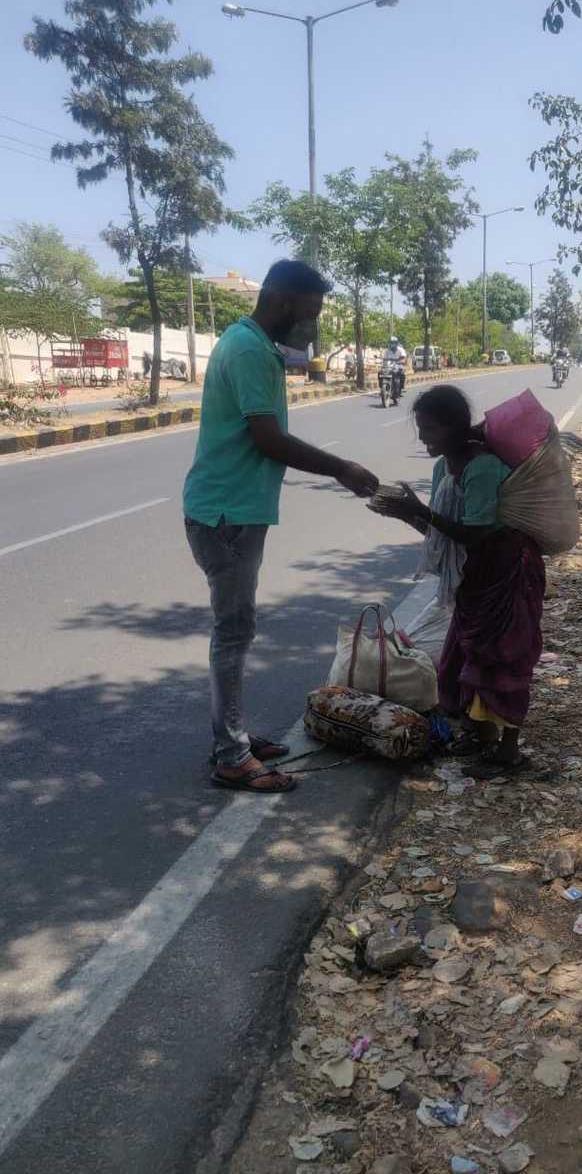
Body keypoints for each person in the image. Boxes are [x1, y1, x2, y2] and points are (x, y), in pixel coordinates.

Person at [184, 259, 378, 794]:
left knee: (237, 629)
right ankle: (229, 755)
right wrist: (342, 467)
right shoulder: (249, 350)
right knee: (233, 631)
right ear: (285, 299)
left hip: (229, 508)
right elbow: (268, 439)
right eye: (311, 311)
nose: (311, 324)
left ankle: (235, 735)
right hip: (228, 513)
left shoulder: (248, 343)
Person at [370, 385, 545, 779]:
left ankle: (509, 754)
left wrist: (420, 511)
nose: (424, 438)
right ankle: (481, 738)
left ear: (454, 427)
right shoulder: (442, 466)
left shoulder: (481, 467)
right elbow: (442, 533)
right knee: (467, 659)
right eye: (420, 429)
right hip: (473, 580)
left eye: (430, 429)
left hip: (505, 574)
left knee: (504, 660)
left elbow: (477, 534)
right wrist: (403, 513)